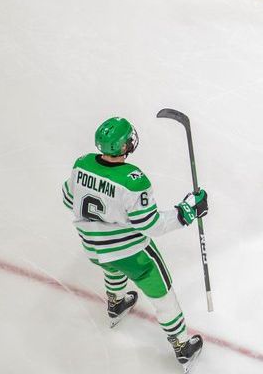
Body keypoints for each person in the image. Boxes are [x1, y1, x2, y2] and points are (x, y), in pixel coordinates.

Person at [62, 117, 208, 371]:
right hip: (133, 254)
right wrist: (186, 212)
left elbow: (67, 199)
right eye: (128, 139)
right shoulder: (133, 180)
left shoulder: (81, 164)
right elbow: (150, 225)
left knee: (111, 266)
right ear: (121, 147)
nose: (131, 141)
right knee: (163, 294)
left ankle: (116, 301)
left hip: (93, 247)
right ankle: (182, 344)